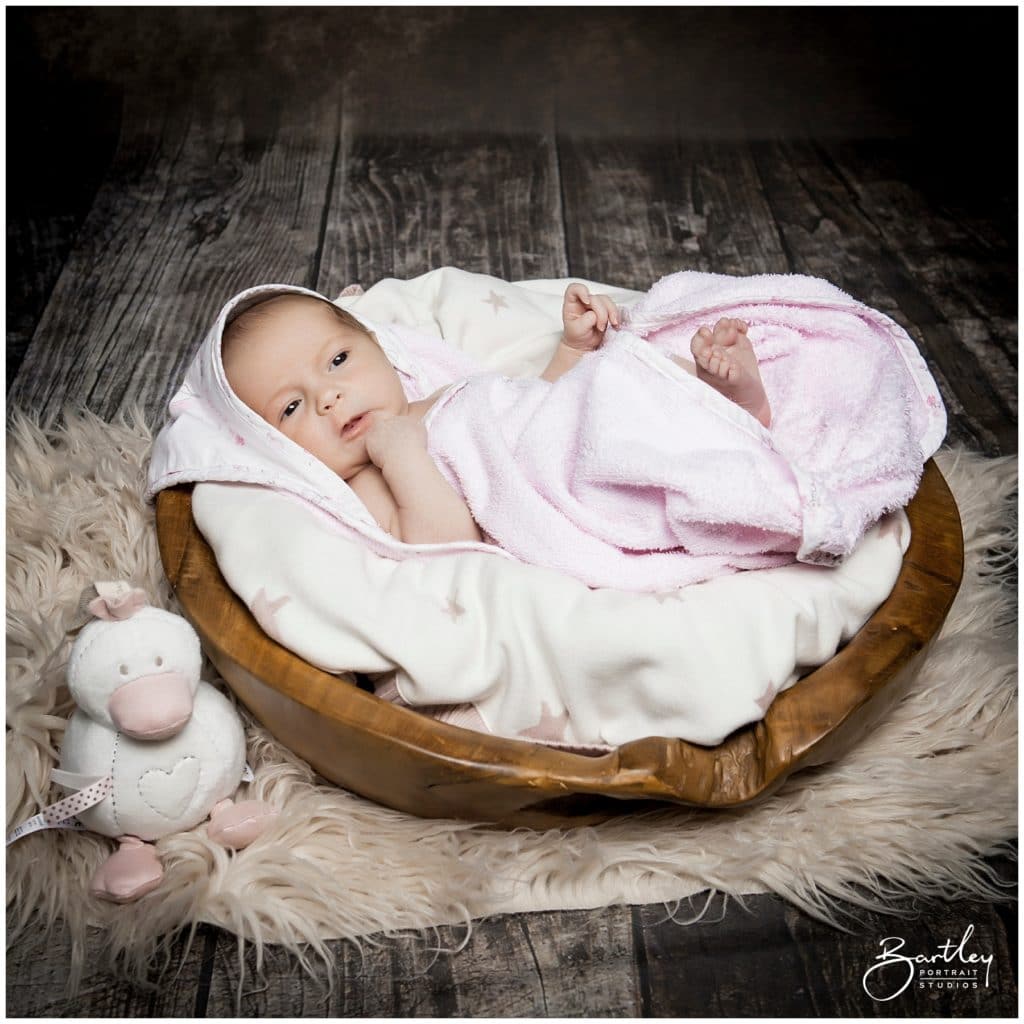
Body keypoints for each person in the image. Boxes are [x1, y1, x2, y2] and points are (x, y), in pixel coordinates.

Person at [221, 284, 772, 547]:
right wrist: (402, 455)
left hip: (561, 430)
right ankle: (735, 443)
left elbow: (528, 406)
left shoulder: (434, 398)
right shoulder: (368, 482)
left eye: (338, 361)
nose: (329, 397)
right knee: (627, 458)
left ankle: (722, 402)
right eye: (291, 407)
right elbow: (441, 544)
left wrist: (574, 353)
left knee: (623, 373)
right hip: (560, 490)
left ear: (379, 348)